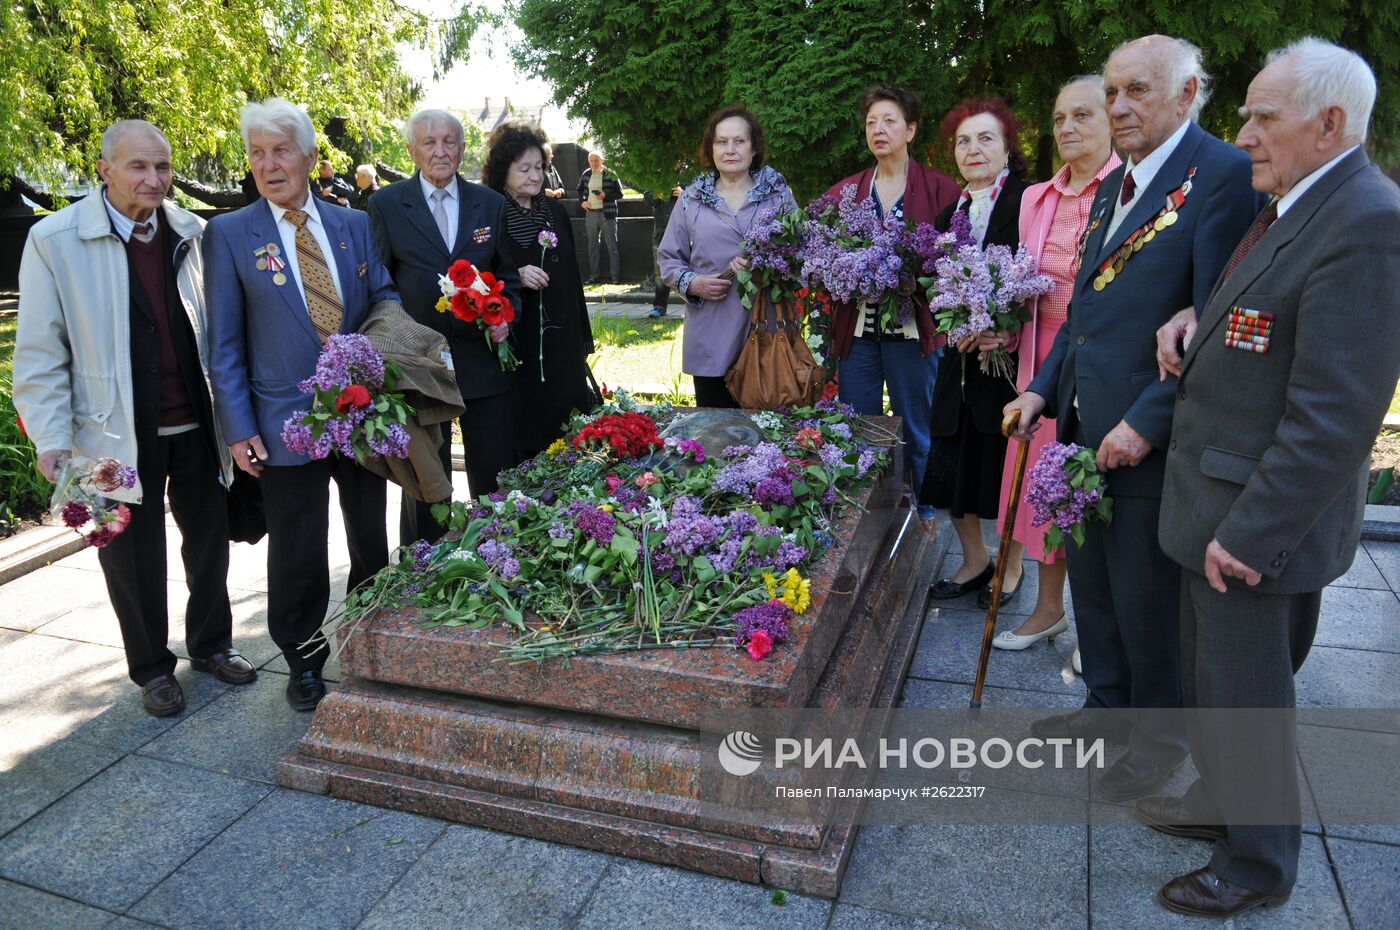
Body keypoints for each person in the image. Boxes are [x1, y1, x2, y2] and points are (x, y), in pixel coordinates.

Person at [1144, 39, 1400, 918]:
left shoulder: (1367, 221)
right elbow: (1265, 319)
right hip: (1217, 503)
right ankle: (1221, 806)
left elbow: (1335, 415)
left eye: (1262, 114)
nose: (1243, 131)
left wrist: (1251, 534)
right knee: (1213, 684)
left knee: (1247, 697)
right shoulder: (1298, 202)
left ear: (1329, 124)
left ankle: (1258, 865)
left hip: (1253, 525)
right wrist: (1192, 323)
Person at [1003, 35, 1263, 801]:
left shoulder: (1219, 177)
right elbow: (1086, 309)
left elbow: (1212, 321)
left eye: (1137, 91)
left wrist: (1149, 420)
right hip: (1086, 428)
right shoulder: (1121, 180)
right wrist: (1042, 390)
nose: (1118, 107)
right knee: (1097, 585)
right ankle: (1107, 710)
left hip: (1151, 440)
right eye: (1112, 91)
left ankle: (1156, 743)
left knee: (1149, 604)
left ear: (1188, 96)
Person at [14, 119, 248, 718]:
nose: (153, 178)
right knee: (126, 555)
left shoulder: (194, 233)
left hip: (196, 421)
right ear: (104, 169)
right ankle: (151, 669)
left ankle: (213, 645)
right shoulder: (54, 239)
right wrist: (51, 438)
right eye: (138, 166)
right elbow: (40, 352)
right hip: (106, 433)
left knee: (210, 546)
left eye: (163, 167)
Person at [205, 98, 400, 711]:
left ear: (312, 158)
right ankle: (304, 659)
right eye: (257, 153)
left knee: (370, 535)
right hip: (283, 425)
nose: (269, 164)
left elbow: (383, 297)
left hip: (361, 415)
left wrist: (379, 354)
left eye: (281, 150)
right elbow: (225, 345)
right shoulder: (231, 235)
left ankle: (369, 641)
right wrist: (238, 429)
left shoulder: (352, 225)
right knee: (297, 548)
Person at [990, 77, 1121, 653]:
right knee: (1043, 490)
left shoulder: (1130, 190)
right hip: (1041, 364)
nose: (1068, 128)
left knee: (1096, 491)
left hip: (1106, 361)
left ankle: (1108, 633)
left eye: (1083, 116)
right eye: (1060, 117)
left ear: (1113, 120)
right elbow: (1025, 283)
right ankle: (1048, 610)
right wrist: (994, 319)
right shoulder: (1034, 197)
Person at [367, 108, 522, 544]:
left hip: (482, 362)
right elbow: (379, 285)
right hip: (418, 369)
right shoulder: (385, 205)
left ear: (461, 148)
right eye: (429, 142)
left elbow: (508, 278)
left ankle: (497, 556)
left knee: (493, 475)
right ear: (412, 150)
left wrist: (505, 317)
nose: (440, 151)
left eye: (449, 141)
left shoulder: (489, 203)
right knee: (425, 480)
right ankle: (423, 567)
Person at [824, 84, 959, 526]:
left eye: (889, 121)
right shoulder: (846, 192)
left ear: (911, 130)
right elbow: (819, 251)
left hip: (912, 332)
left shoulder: (940, 189)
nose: (879, 130)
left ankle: (924, 512)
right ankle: (864, 520)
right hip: (858, 335)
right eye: (871, 123)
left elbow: (958, 259)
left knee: (917, 429)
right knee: (858, 429)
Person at [922, 98, 1031, 602]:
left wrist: (1009, 329)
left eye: (986, 138)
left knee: (1000, 467)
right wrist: (951, 320)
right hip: (958, 361)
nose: (974, 149)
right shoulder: (949, 216)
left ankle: (1010, 567)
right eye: (964, 141)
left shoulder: (1029, 203)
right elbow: (932, 286)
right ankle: (973, 560)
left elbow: (1045, 280)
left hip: (1008, 364)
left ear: (1008, 146)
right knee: (951, 462)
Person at [658, 105, 796, 409]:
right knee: (716, 436)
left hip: (766, 333)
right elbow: (668, 259)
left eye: (739, 141)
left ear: (754, 147)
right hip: (711, 331)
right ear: (711, 148)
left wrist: (767, 266)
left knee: (766, 437)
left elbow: (800, 254)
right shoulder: (691, 200)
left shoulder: (778, 195)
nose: (730, 150)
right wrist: (693, 284)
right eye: (722, 142)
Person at [481, 121, 596, 458]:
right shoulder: (492, 214)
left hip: (562, 339)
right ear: (503, 170)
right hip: (520, 340)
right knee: (528, 428)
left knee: (569, 426)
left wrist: (580, 339)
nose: (535, 176)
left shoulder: (554, 210)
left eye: (540, 167)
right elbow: (480, 276)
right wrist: (515, 275)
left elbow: (574, 280)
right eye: (524, 168)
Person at [577, 150, 623, 283]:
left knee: (612, 246)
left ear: (602, 160)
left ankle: (615, 277)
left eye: (596, 160)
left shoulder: (611, 174)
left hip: (607, 214)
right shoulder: (586, 174)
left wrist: (605, 196)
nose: (594, 163)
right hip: (591, 214)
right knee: (592, 247)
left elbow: (620, 194)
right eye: (591, 160)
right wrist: (583, 202)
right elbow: (579, 189)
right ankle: (594, 276)